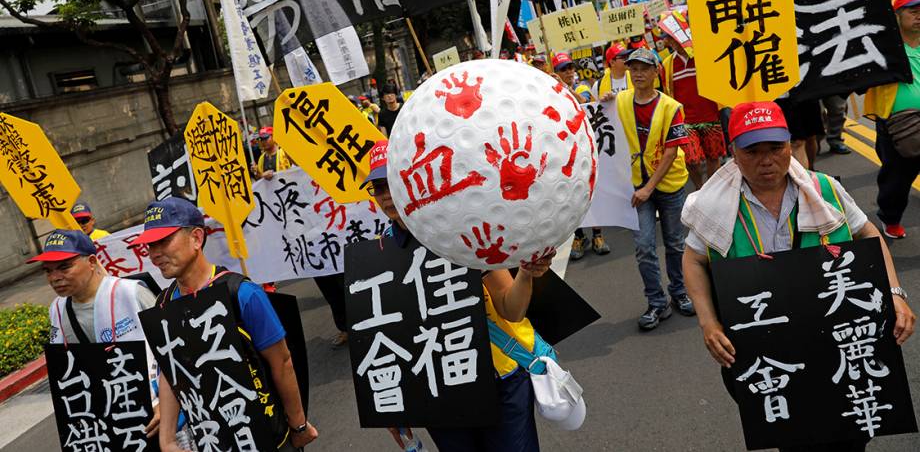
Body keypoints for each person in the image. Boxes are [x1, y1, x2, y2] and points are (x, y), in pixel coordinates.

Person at [681, 101, 915, 452]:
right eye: (752, 151)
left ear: (789, 143)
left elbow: (869, 233)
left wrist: (895, 292)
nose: (766, 161)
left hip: (837, 345)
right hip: (767, 354)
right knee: (795, 439)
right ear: (733, 152)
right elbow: (694, 260)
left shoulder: (824, 191)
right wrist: (708, 323)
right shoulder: (713, 205)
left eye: (775, 148)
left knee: (852, 435)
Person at [363, 141, 555, 451]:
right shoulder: (379, 252)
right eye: (377, 187)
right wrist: (392, 407)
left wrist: (526, 274)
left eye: (391, 182)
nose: (385, 194)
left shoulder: (461, 230)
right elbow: (386, 337)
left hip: (500, 382)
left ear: (411, 180)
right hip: (438, 393)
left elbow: (511, 308)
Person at [132, 197, 318, 451]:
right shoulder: (163, 305)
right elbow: (170, 370)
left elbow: (282, 362)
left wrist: (298, 425)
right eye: (150, 246)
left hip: (267, 435)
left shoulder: (242, 293)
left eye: (163, 241)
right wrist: (167, 439)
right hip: (213, 441)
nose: (155, 254)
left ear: (197, 238)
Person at [30, 229, 163, 441]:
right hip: (107, 423)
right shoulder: (56, 310)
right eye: (48, 271)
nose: (55, 278)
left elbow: (171, 351)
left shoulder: (131, 294)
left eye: (64, 267)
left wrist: (167, 404)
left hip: (156, 414)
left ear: (92, 261)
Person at [617, 48, 695, 330]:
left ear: (655, 72)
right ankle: (656, 303)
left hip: (669, 184)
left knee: (674, 243)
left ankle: (679, 292)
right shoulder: (620, 101)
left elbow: (672, 152)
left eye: (643, 68)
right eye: (633, 69)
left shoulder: (672, 107)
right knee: (644, 246)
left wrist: (649, 188)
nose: (637, 74)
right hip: (637, 185)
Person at [864, 0, 920, 239]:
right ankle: (890, 217)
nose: (919, 16)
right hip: (898, 124)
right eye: (913, 11)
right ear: (897, 15)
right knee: (896, 179)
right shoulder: (883, 44)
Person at [553, 52, 607, 259]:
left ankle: (597, 235)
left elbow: (587, 103)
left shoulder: (581, 87)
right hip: (565, 151)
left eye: (570, 68)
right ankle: (579, 235)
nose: (568, 72)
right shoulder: (553, 92)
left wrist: (566, 88)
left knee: (592, 193)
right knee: (572, 196)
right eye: (563, 69)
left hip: (586, 148)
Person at [660, 34, 726, 190]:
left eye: (674, 37)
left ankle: (712, 189)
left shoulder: (703, 56)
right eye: (670, 38)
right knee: (691, 159)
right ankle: (700, 188)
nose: (673, 42)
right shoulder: (667, 64)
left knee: (713, 156)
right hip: (685, 120)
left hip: (709, 114)